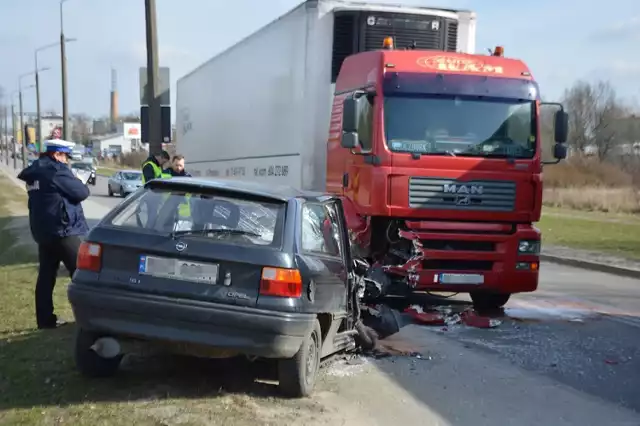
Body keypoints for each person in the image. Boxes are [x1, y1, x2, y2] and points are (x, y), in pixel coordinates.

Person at [17, 139, 90, 329]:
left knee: (46, 276)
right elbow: (81, 192)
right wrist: (78, 179)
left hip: (44, 231)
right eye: (65, 156)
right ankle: (88, 319)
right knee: (83, 274)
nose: (66, 161)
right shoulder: (56, 171)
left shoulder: (35, 171)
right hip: (63, 230)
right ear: (57, 154)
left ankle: (45, 320)